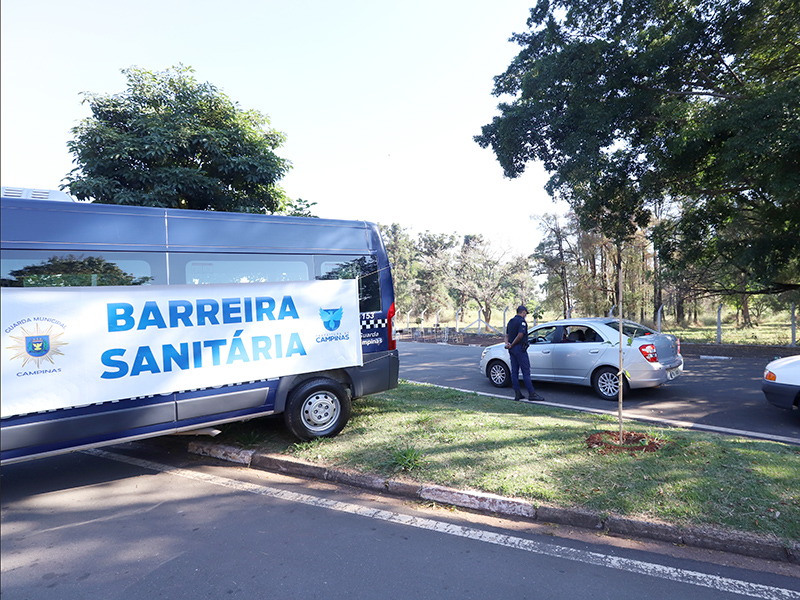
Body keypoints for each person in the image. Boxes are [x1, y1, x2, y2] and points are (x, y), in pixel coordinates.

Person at [504, 305, 545, 401]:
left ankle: (517, 394)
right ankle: (532, 394)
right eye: (525, 313)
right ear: (523, 312)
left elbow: (506, 335)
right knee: (526, 372)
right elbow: (520, 335)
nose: (525, 315)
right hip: (519, 348)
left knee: (514, 372)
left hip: (512, 349)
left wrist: (507, 344)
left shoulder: (511, 321)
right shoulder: (522, 322)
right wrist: (513, 344)